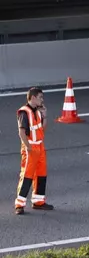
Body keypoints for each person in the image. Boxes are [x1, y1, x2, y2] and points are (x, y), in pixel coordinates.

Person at [14, 87, 54, 215]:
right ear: (33, 98)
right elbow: (21, 132)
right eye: (40, 97)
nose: (42, 100)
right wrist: (28, 147)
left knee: (41, 174)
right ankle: (19, 204)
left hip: (40, 146)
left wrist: (45, 116)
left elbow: (42, 129)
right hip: (31, 147)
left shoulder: (37, 111)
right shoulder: (24, 112)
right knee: (26, 175)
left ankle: (39, 201)